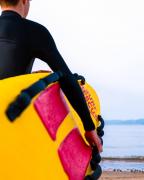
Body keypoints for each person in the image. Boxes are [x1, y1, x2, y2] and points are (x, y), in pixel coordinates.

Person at [0, 0, 102, 152]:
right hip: (12, 121)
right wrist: (89, 127)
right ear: (24, 1)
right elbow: (66, 78)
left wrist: (28, 78)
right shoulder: (35, 31)